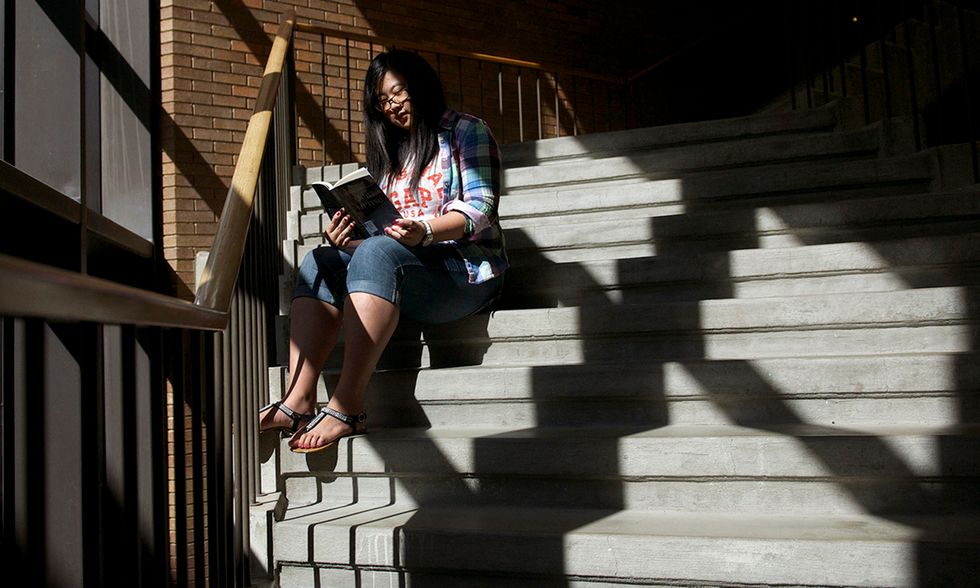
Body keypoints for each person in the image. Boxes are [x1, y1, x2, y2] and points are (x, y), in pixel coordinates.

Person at [258, 49, 507, 453]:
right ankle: (298, 400)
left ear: (420, 85)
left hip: (466, 273)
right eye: (383, 101)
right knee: (319, 260)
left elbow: (482, 208)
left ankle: (347, 407)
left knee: (377, 252)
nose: (392, 106)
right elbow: (384, 232)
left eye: (399, 92)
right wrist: (349, 240)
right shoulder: (390, 149)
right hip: (404, 266)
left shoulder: (465, 131)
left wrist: (424, 230)